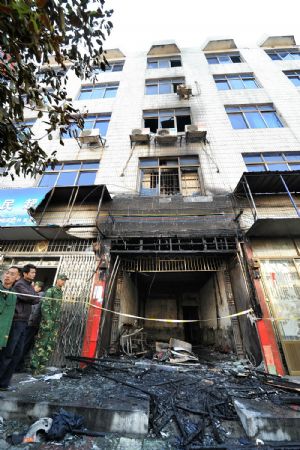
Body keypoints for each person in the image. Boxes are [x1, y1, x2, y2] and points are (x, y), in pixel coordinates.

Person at [0, 264, 38, 389]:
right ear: (24, 274)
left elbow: (36, 299)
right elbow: (32, 297)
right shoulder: (19, 285)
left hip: (23, 322)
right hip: (15, 321)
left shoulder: (27, 285)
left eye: (34, 273)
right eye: (31, 272)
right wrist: (33, 295)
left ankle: (4, 383)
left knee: (17, 353)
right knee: (8, 353)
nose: (34, 275)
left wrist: (34, 295)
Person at [30, 274, 69, 374]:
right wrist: (48, 320)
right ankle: (34, 368)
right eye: (62, 280)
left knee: (49, 346)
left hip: (55, 323)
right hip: (47, 322)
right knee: (41, 344)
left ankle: (42, 367)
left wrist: (56, 321)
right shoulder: (50, 291)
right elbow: (45, 307)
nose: (63, 282)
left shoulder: (60, 292)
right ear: (58, 280)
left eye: (65, 280)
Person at [16, 281, 45, 372]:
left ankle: (19, 366)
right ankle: (18, 366)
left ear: (39, 287)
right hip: (29, 324)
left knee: (24, 345)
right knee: (24, 345)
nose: (32, 288)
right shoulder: (34, 295)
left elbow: (35, 312)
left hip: (30, 325)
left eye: (34, 286)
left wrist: (31, 322)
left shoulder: (39, 296)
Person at [0, 267, 21, 351]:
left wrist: (2, 339)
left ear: (17, 277)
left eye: (12, 274)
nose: (8, 276)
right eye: (7, 273)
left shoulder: (13, 296)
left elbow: (8, 318)